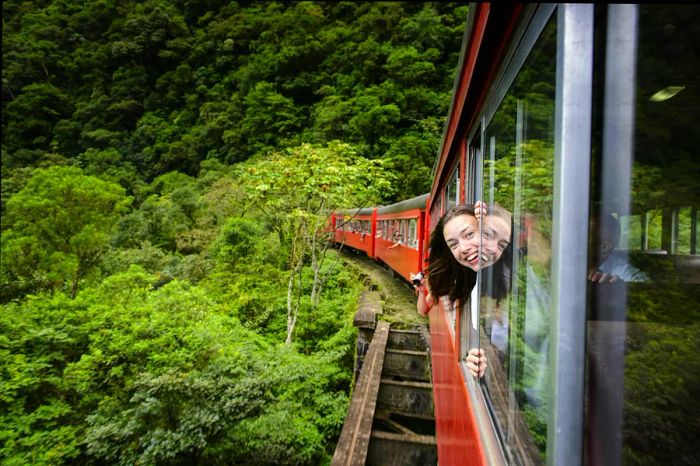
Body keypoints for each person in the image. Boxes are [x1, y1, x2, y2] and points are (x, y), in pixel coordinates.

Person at [414, 204, 493, 378]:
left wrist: (493, 218)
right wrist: (421, 291)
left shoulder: (495, 270)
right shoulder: (451, 277)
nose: (464, 247)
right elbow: (423, 309)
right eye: (453, 244)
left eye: (469, 234)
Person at [588, 212, 649, 283]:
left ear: (605, 246)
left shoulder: (624, 271)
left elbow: (645, 284)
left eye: (588, 241)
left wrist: (620, 287)